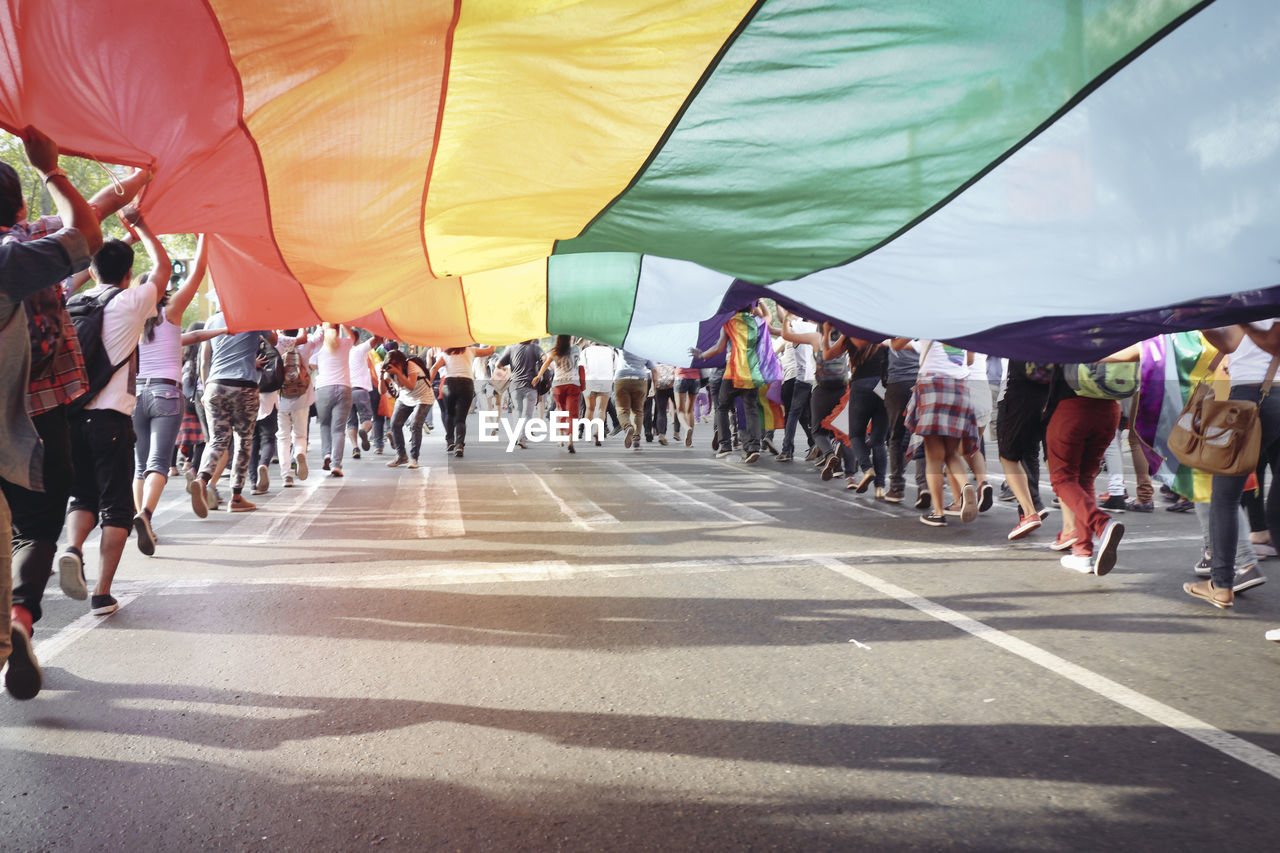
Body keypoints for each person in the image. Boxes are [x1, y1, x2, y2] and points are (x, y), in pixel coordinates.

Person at [1, 126, 102, 699]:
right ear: (18, 208)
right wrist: (51, 169)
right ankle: (20, 616)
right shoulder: (16, 256)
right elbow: (86, 230)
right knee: (38, 527)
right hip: (32, 419)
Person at [131, 231, 221, 554]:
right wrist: (203, 236)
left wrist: (221, 329)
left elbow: (191, 339)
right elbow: (197, 272)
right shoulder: (171, 311)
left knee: (139, 464)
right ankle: (145, 514)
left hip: (136, 396)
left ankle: (144, 520)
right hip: (166, 395)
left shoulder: (133, 319)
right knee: (158, 462)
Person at [1185, 322, 1280, 609]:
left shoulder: (1258, 294)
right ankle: (1221, 584)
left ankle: (1222, 584)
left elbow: (1273, 341)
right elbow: (1230, 343)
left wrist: (1242, 316)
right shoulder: (1250, 292)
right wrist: (1202, 323)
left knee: (1225, 497)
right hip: (1247, 393)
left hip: (1252, 397)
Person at [190, 316, 275, 513]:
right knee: (244, 440)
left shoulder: (211, 321)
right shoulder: (253, 318)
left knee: (218, 440)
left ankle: (202, 480)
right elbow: (275, 341)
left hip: (214, 386)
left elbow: (204, 361)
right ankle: (236, 497)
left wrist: (205, 388)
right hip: (243, 386)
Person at [430, 343, 495, 457]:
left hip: (449, 384)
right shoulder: (470, 350)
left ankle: (450, 440)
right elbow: (490, 351)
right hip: (466, 384)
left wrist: (428, 383)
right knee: (461, 418)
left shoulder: (445, 353)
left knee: (449, 414)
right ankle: (459, 445)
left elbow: (434, 367)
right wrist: (493, 340)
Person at [380, 350, 433, 468]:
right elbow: (382, 391)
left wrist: (398, 373)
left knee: (415, 424)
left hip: (423, 397)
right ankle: (401, 456)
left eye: (396, 363)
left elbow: (410, 386)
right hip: (405, 398)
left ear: (402, 362)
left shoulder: (411, 366)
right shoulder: (389, 370)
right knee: (394, 424)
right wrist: (382, 376)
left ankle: (414, 458)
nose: (394, 366)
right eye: (391, 364)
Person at [533, 335, 584, 453]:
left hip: (558, 385)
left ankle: (561, 439)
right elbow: (583, 340)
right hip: (573, 384)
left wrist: (538, 376)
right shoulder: (575, 349)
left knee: (561, 412)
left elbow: (545, 364)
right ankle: (571, 441)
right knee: (573, 414)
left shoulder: (554, 351)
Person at [496, 339, 545, 446]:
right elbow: (545, 359)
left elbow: (498, 365)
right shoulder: (535, 348)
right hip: (531, 385)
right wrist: (539, 374)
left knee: (517, 411)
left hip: (515, 386)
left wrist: (508, 372)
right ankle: (521, 438)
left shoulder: (511, 349)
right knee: (527, 414)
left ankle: (516, 436)